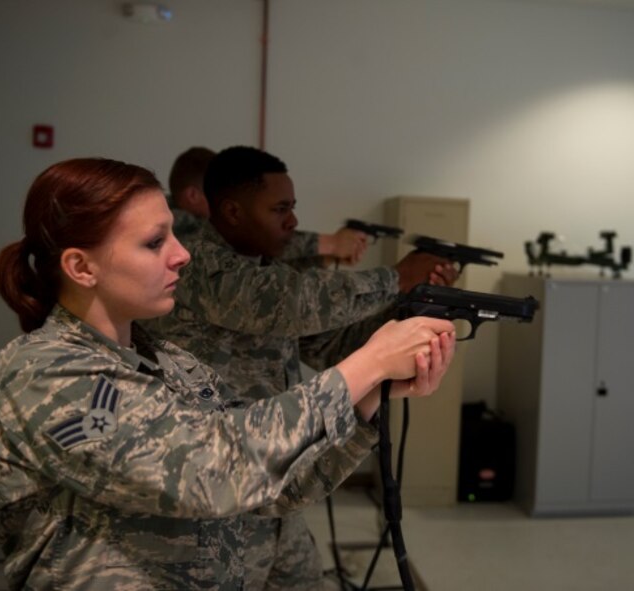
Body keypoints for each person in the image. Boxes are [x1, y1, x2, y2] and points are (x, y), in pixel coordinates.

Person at [0, 157, 456, 590]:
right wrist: (366, 363)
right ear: (81, 266)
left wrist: (368, 400)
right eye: (153, 242)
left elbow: (271, 488)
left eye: (174, 235)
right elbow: (212, 471)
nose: (182, 255)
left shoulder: (172, 363)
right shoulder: (45, 372)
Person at [142, 145, 458, 590]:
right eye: (280, 208)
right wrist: (395, 279)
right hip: (217, 500)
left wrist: (411, 310)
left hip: (281, 493)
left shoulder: (264, 271)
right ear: (232, 211)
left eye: (293, 208)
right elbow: (291, 303)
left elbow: (333, 343)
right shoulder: (198, 265)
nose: (292, 221)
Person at [168, 146, 368, 267]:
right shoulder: (178, 228)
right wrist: (331, 243)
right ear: (192, 195)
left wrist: (325, 258)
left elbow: (258, 268)